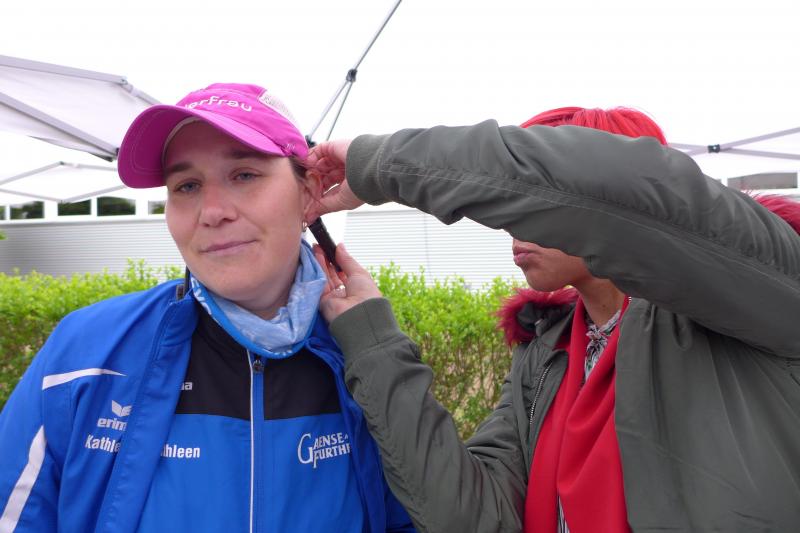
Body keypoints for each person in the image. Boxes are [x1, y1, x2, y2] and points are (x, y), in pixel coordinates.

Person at [303, 108, 800, 532]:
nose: (512, 224)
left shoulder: (756, 297)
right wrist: (373, 340)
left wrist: (383, 164)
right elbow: (473, 515)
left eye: (536, 208)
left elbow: (618, 192)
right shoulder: (546, 352)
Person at [0, 83, 414, 533]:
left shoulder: (368, 358)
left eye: (244, 175)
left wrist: (375, 346)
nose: (212, 211)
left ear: (310, 192)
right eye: (187, 185)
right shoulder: (83, 354)